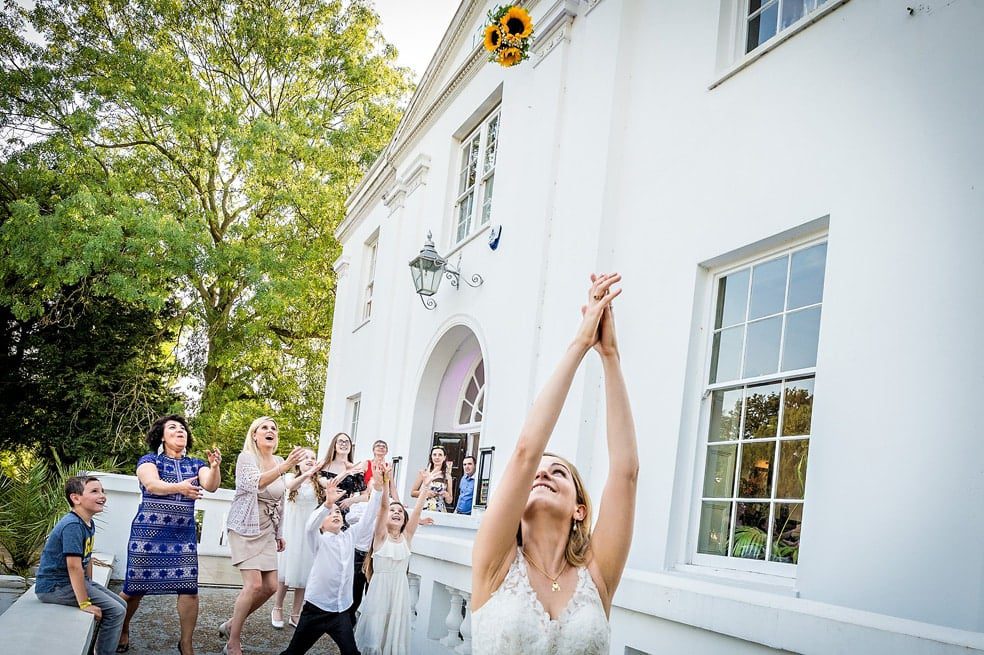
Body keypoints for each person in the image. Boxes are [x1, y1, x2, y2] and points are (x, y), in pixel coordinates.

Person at [471, 273, 638, 655]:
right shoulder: (495, 564)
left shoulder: (597, 575)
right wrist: (580, 342)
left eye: (558, 471)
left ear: (579, 508)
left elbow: (626, 474)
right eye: (537, 473)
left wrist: (610, 357)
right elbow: (527, 450)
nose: (542, 473)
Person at [117, 415, 222, 655]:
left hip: (181, 536)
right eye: (172, 428)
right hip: (148, 535)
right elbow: (152, 484)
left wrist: (214, 467)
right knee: (134, 588)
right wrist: (180, 487)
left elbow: (211, 485)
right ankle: (122, 628)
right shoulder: (149, 460)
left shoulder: (196, 465)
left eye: (183, 428)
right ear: (161, 436)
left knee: (189, 589)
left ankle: (186, 643)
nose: (180, 431)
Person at [277, 464, 388, 655]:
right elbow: (310, 526)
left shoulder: (350, 536)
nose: (335, 514)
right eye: (330, 514)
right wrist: (328, 504)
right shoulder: (318, 540)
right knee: (294, 652)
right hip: (316, 610)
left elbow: (369, 517)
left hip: (341, 611)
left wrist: (377, 488)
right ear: (322, 524)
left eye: (337, 512)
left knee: (352, 653)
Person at [221, 417, 306, 655]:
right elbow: (253, 483)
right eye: (264, 428)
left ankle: (230, 624)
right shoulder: (246, 457)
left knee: (269, 587)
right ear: (255, 435)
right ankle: (233, 641)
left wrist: (279, 533)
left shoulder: (278, 460)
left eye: (274, 428)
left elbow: (280, 501)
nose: (270, 431)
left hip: (268, 529)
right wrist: (285, 466)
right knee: (254, 585)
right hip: (245, 527)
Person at [35, 476, 126, 655]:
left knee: (121, 604)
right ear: (75, 498)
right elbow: (74, 566)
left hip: (71, 582)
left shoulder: (87, 522)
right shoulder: (72, 526)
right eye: (94, 491)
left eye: (102, 491)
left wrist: (90, 584)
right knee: (115, 611)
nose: (102, 496)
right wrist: (85, 602)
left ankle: (100, 648)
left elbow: (87, 557)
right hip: (55, 587)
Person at [354, 469, 441, 655]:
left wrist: (425, 487)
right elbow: (384, 507)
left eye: (400, 511)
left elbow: (417, 512)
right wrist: (385, 482)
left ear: (404, 520)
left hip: (399, 593)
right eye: (393, 510)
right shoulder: (380, 536)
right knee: (376, 633)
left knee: (394, 634)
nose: (396, 512)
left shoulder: (406, 537)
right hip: (379, 592)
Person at [273, 448, 324, 629]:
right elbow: (290, 487)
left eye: (313, 458)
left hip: (308, 531)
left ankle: (295, 613)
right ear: (298, 463)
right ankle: (277, 608)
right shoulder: (289, 477)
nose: (310, 460)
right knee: (286, 570)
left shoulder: (319, 482)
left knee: (304, 572)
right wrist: (307, 474)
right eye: (306, 458)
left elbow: (334, 483)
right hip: (291, 530)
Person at [410, 445, 453, 512]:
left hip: (440, 510)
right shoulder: (423, 473)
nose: (437, 457)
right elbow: (413, 493)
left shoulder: (447, 476)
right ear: (431, 457)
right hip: (424, 508)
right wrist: (426, 493)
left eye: (440, 455)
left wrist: (446, 495)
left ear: (444, 457)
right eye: (434, 455)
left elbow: (449, 501)